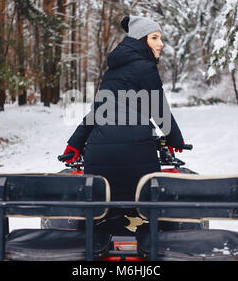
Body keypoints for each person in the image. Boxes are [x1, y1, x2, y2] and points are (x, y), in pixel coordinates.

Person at [62, 15, 185, 232]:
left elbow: (97, 111)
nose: (161, 43)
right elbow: (159, 109)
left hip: (98, 156)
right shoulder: (145, 67)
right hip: (136, 153)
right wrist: (175, 138)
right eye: (155, 38)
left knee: (107, 196)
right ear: (141, 40)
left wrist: (75, 143)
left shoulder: (113, 70)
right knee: (143, 196)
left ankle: (110, 223)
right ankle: (139, 228)